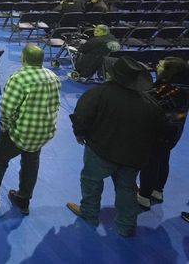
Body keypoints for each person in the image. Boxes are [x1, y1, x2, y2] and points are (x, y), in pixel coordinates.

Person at [67, 57, 165, 237]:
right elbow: (159, 134)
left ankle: (89, 213)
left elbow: (81, 117)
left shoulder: (98, 93)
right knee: (127, 188)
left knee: (91, 181)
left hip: (101, 150)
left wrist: (80, 135)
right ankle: (127, 225)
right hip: (134, 156)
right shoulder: (151, 104)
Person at [0, 45, 61, 214]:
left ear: (23, 58)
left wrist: (6, 128)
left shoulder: (19, 78)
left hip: (20, 132)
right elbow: (55, 105)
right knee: (31, 164)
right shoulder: (53, 76)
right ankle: (23, 198)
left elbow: (7, 108)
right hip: (42, 133)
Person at [137, 57, 189, 209]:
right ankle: (157, 190)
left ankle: (144, 196)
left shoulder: (168, 89)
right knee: (163, 158)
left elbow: (149, 102)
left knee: (150, 163)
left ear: (169, 71)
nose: (157, 65)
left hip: (159, 131)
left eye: (160, 64)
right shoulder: (183, 86)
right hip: (174, 131)